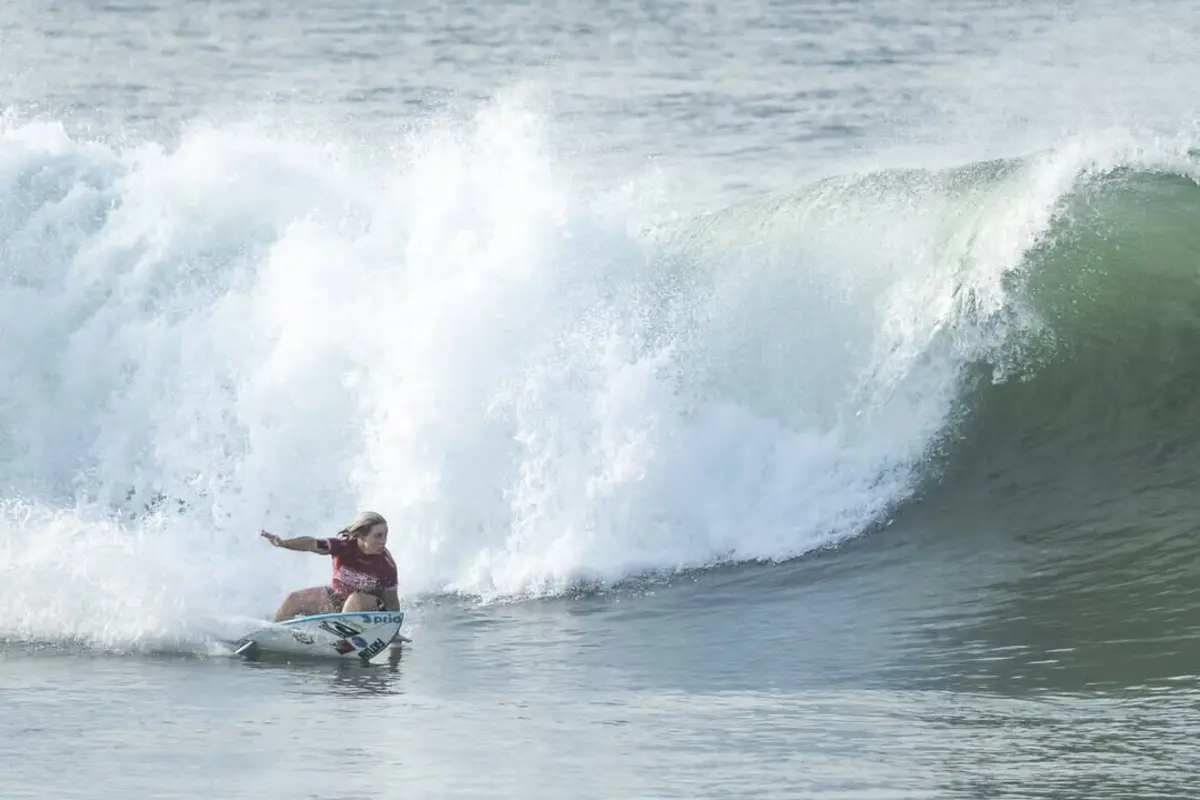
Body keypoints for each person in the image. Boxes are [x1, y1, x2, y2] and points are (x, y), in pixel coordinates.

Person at [261, 510, 401, 622]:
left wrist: (394, 635)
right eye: (378, 536)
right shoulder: (342, 546)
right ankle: (276, 635)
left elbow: (392, 603)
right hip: (337, 601)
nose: (384, 541)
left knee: (356, 599)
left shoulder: (386, 564)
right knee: (293, 599)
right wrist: (283, 543)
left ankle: (342, 636)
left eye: (385, 535)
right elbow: (311, 544)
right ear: (361, 536)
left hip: (370, 611)